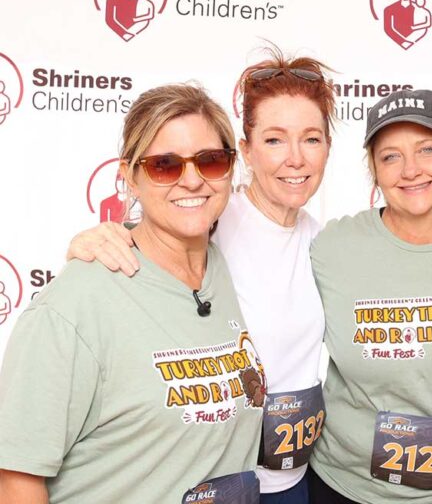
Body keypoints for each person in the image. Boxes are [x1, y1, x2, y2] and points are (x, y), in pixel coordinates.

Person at [65, 48, 336, 503]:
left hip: (291, 481)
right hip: (212, 478)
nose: (295, 158)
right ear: (244, 152)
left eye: (311, 138)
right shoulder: (206, 214)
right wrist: (88, 243)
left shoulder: (325, 243)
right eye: (273, 140)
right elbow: (151, 235)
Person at [0, 84, 265, 501]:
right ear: (130, 179)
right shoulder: (72, 309)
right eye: (165, 165)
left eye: (211, 161)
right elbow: (17, 479)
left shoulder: (229, 267)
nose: (192, 180)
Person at [308, 88, 432, 503]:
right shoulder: (332, 246)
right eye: (390, 156)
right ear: (374, 171)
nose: (410, 170)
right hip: (347, 489)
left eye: (428, 149)